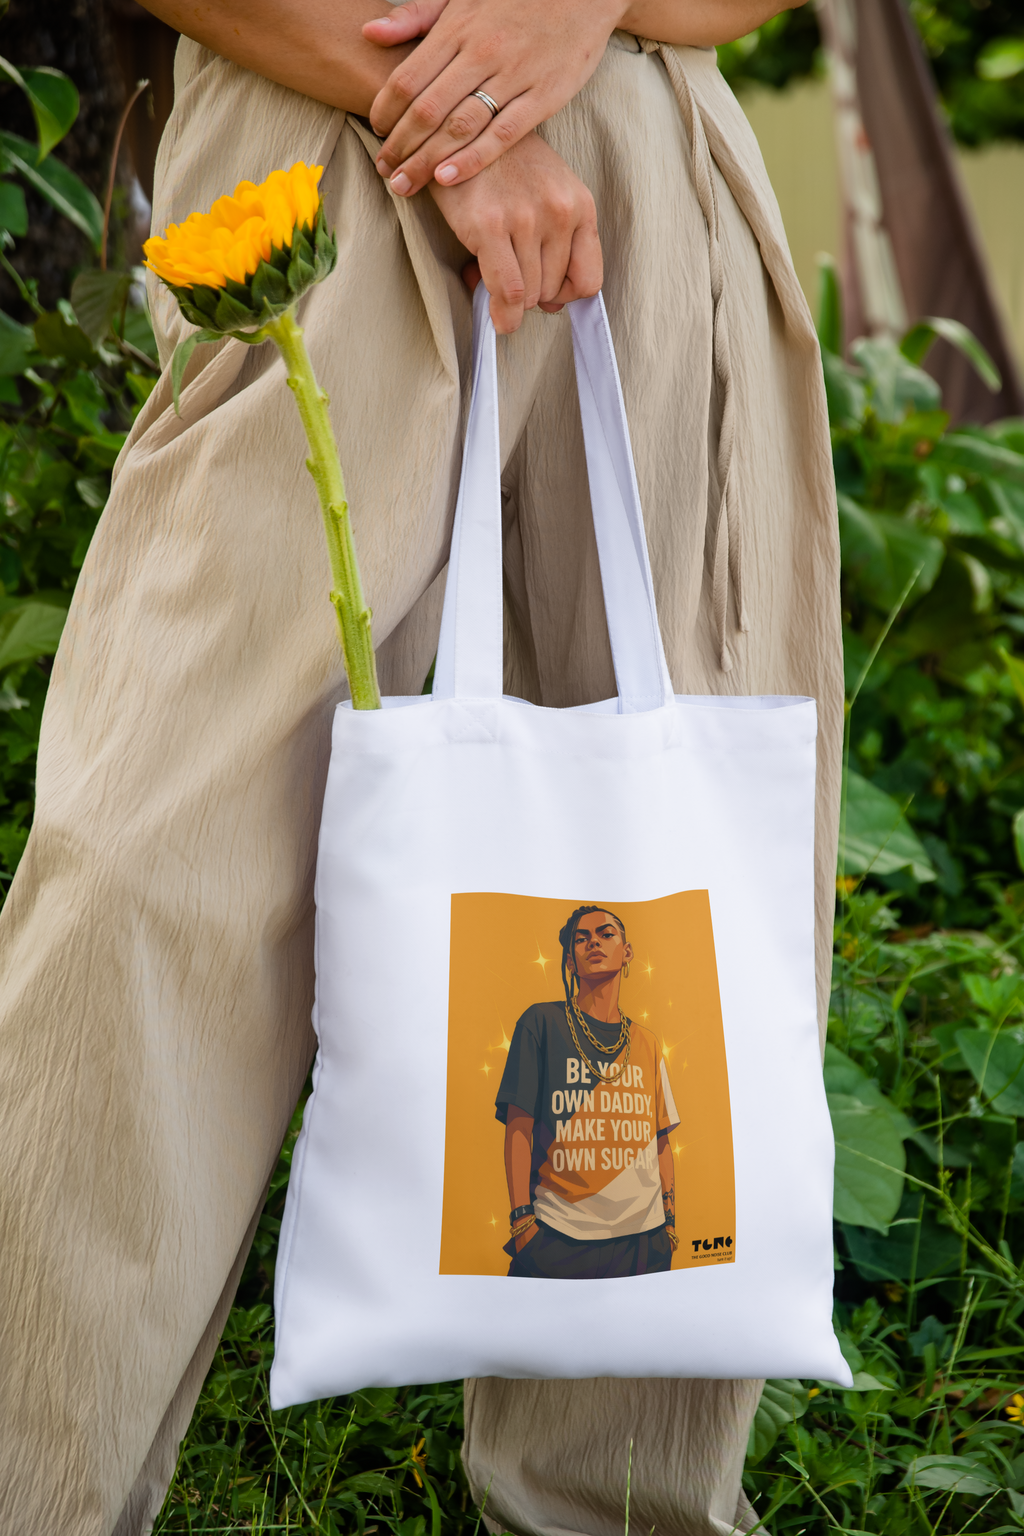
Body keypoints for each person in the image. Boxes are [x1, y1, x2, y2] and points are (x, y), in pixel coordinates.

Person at [0, 0, 844, 1529]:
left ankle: (615, 1506)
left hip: (658, 188)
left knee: (654, 911)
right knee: (140, 877)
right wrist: (466, 122)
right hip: (313, 162)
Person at [498, 906, 679, 1278]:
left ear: (627, 951)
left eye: (605, 933)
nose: (593, 941)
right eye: (581, 939)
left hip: (646, 1241)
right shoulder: (540, 1024)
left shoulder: (646, 1042)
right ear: (570, 960)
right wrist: (522, 1223)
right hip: (558, 1235)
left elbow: (660, 1139)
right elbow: (519, 1127)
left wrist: (670, 1222)